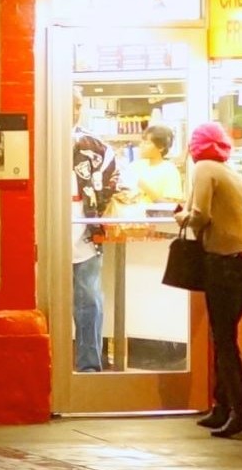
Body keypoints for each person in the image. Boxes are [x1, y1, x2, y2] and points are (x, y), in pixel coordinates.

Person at [175, 122, 242, 439]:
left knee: (223, 339)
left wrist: (180, 216)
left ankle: (241, 411)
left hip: (225, 260)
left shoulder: (204, 169)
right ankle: (223, 406)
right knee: (224, 335)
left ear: (196, 146)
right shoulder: (230, 172)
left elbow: (200, 215)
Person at [71, 86, 119, 373]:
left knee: (89, 299)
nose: (74, 110)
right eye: (69, 104)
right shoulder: (39, 141)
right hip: (47, 233)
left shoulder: (96, 146)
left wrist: (97, 210)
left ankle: (89, 366)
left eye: (77, 105)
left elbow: (115, 180)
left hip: (86, 233)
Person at [123, 123, 183, 205]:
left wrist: (145, 188)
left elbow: (172, 206)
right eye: (142, 142)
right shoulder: (134, 166)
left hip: (152, 217)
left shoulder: (169, 170)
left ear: (161, 147)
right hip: (130, 216)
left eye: (146, 143)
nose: (141, 146)